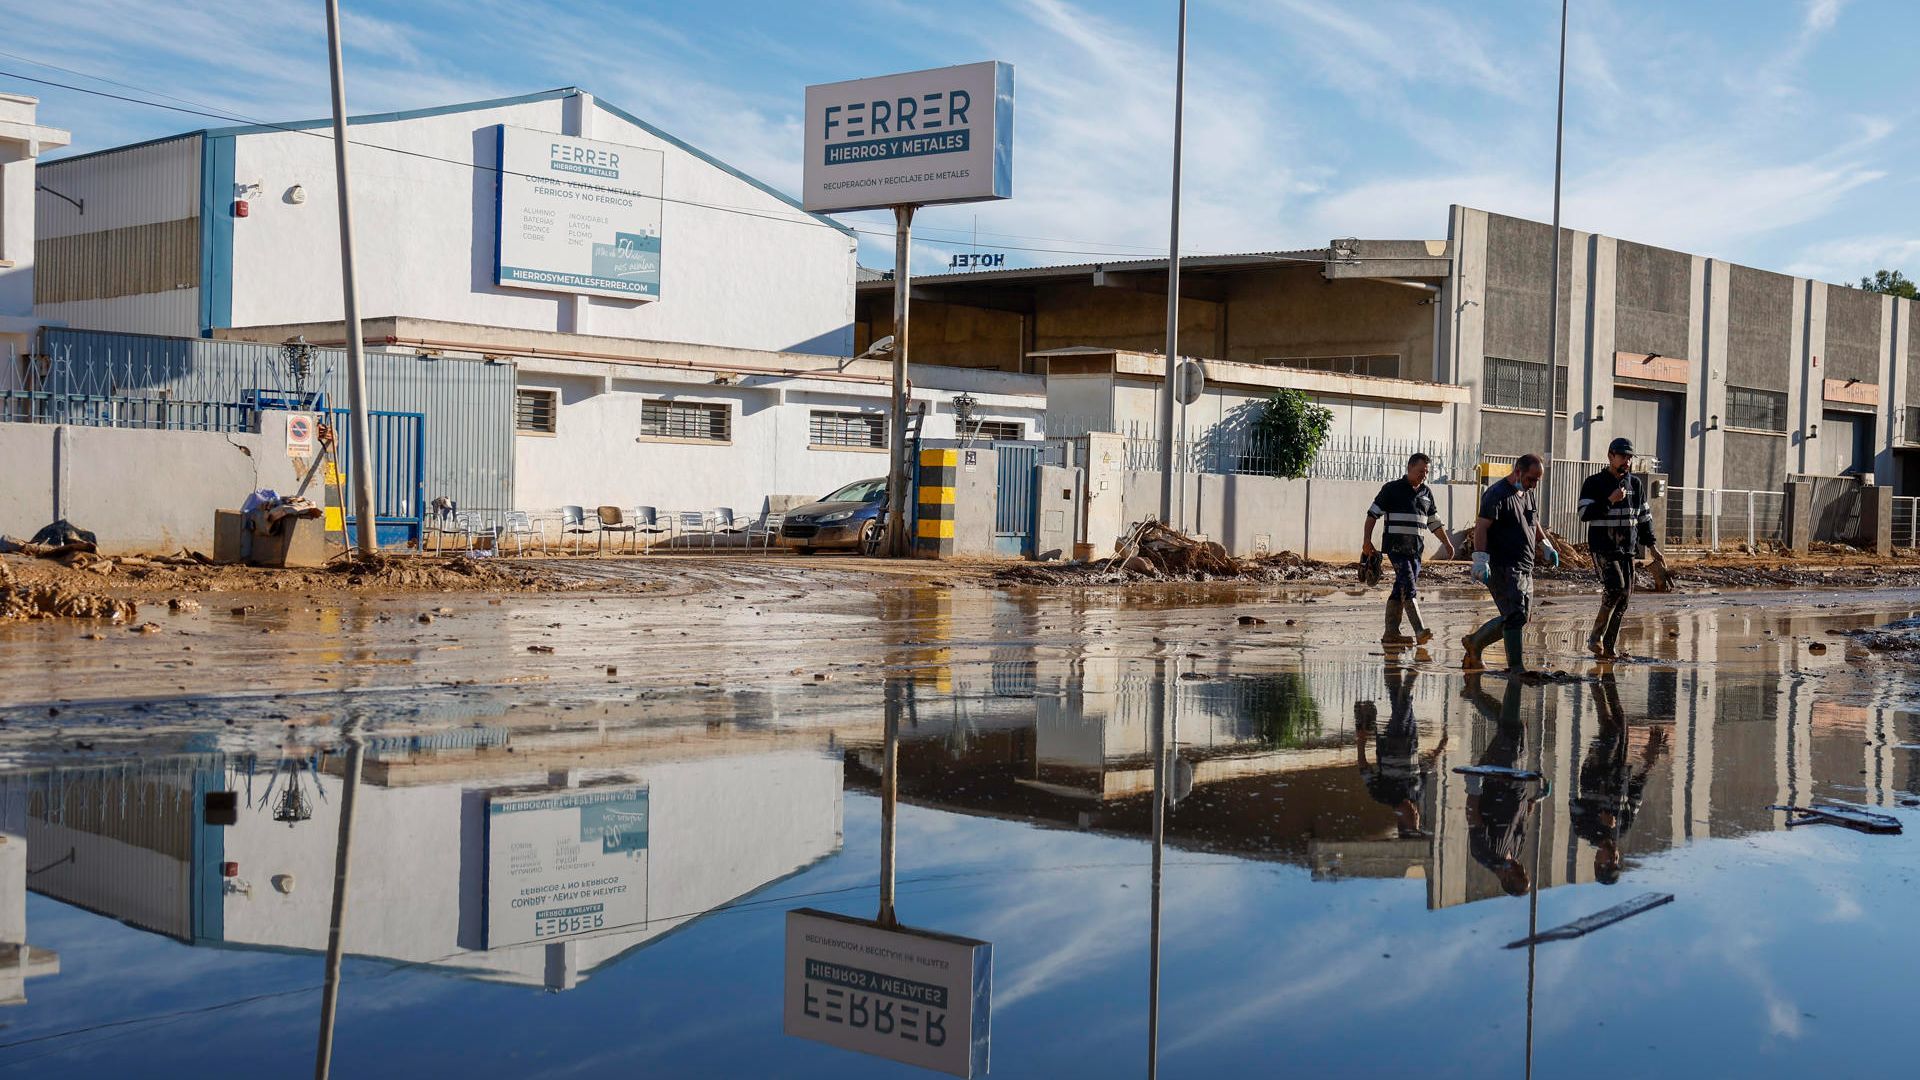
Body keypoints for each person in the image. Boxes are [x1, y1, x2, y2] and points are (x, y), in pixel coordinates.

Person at [1568, 673, 1670, 884]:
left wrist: (1598, 816)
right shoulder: (1622, 829)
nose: (1614, 856)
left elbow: (1574, 803)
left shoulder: (1584, 830)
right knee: (1621, 722)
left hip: (1596, 770)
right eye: (1616, 860)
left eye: (1608, 862)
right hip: (1619, 769)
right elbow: (1634, 795)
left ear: (1597, 860)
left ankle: (1597, 687)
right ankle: (1606, 679)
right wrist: (1650, 760)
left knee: (1611, 732)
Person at [1462, 454, 1559, 674]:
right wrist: (1479, 558)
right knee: (1515, 616)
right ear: (1517, 472)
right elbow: (1481, 527)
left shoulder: (1527, 493)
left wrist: (1545, 544)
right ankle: (1515, 668)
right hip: (1502, 565)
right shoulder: (1496, 495)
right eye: (1530, 479)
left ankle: (1474, 642)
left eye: (1536, 480)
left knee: (1523, 616)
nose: (1533, 484)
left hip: (1525, 565)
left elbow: (1533, 522)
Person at [1578, 437, 1665, 660]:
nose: (1626, 461)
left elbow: (1644, 518)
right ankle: (1595, 638)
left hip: (1627, 549)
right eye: (1622, 456)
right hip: (1603, 547)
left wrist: (1653, 547)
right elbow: (1584, 514)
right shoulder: (1594, 483)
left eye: (1629, 457)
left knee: (1624, 598)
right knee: (1615, 588)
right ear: (1610, 456)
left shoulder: (1635, 485)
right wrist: (1610, 500)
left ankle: (1608, 647)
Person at [1362, 453, 1457, 645]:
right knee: (1408, 583)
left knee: (1400, 589)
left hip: (1416, 550)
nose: (1424, 475)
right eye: (1421, 471)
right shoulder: (1391, 489)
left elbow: (1434, 523)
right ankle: (1420, 630)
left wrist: (1446, 543)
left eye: (1426, 472)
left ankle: (1391, 634)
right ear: (1410, 467)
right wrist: (1366, 541)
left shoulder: (1426, 493)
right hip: (1396, 548)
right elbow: (1372, 515)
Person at [1354, 667, 1449, 838]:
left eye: (1413, 817)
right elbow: (1426, 769)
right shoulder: (1416, 793)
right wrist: (1441, 748)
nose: (1416, 812)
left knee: (1403, 705)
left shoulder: (1382, 794)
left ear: (1401, 820)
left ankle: (1415, 671)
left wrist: (1361, 740)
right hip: (1411, 739)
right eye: (1417, 816)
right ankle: (1391, 663)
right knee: (1397, 699)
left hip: (1392, 742)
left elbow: (1364, 769)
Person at [1462, 675, 1534, 897]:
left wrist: (1474, 785)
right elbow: (1521, 822)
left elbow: (1474, 819)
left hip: (1497, 778)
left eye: (1519, 875)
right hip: (1518, 781)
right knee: (1517, 728)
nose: (1522, 869)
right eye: (1525, 874)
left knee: (1512, 728)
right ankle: (1475, 693)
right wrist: (1536, 800)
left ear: (1506, 879)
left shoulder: (1486, 855)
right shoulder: (1516, 852)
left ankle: (1480, 691)